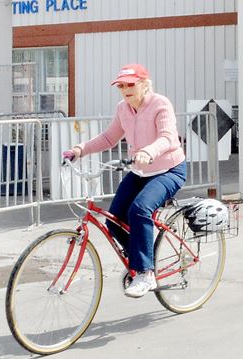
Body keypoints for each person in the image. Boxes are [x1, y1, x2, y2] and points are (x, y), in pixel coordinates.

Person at [63, 64, 187, 298]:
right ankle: (141, 260)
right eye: (121, 85)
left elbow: (168, 137)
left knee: (139, 209)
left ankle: (145, 272)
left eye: (130, 84)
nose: (125, 89)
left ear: (144, 84)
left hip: (168, 169)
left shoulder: (160, 104)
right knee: (114, 220)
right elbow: (109, 137)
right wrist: (81, 149)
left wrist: (149, 151)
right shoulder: (123, 108)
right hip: (140, 171)